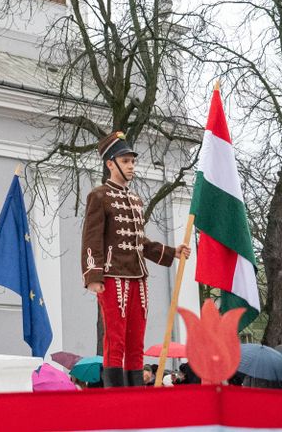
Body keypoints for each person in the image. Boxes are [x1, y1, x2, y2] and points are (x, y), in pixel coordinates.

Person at [81, 131, 189, 387]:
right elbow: (91, 239)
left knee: (136, 338)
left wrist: (172, 251)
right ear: (110, 163)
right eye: (126, 161)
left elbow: (141, 242)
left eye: (132, 161)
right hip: (112, 275)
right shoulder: (99, 196)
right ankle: (116, 394)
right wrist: (92, 276)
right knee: (115, 339)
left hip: (138, 277)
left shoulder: (135, 200)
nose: (131, 166)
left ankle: (136, 391)